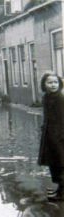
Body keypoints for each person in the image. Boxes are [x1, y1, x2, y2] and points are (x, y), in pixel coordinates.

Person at [38, 71, 64, 201]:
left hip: (60, 136)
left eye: (55, 82)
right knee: (54, 163)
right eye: (49, 82)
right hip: (50, 135)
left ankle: (62, 194)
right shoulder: (46, 97)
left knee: (61, 163)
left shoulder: (60, 98)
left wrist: (59, 137)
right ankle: (59, 189)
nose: (53, 85)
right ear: (44, 84)